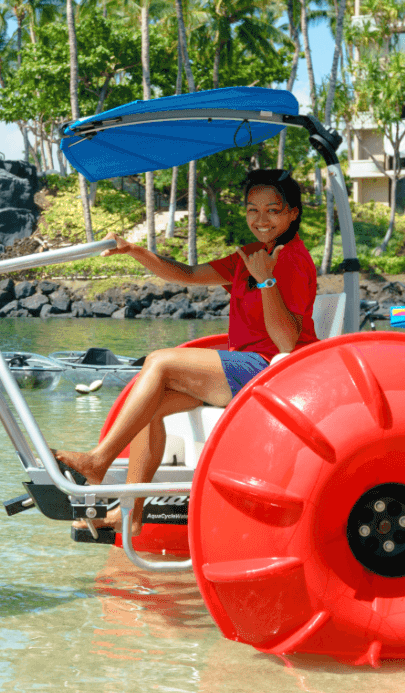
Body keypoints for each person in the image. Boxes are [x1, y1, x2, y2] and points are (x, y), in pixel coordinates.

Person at [53, 168, 319, 534]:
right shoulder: (253, 256)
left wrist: (267, 281)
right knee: (147, 407)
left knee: (159, 361)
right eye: (252, 210)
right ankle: (130, 514)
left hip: (274, 373)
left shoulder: (290, 260)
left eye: (273, 210)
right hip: (245, 367)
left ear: (293, 213)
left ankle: (98, 462)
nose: (261, 220)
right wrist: (136, 252)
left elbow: (288, 341)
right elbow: (189, 274)